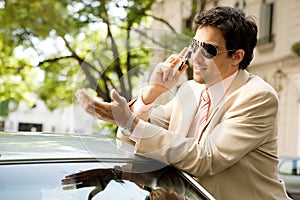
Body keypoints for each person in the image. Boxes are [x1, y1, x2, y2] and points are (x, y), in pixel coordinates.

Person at [76, 6, 291, 200]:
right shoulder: (190, 91)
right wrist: (150, 94)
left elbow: (207, 159)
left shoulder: (257, 96)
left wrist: (131, 123)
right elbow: (133, 140)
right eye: (194, 45)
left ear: (236, 57)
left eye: (208, 50)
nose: (195, 57)